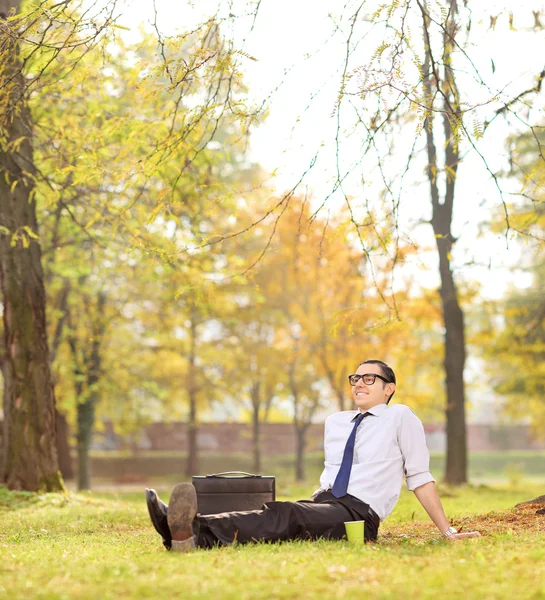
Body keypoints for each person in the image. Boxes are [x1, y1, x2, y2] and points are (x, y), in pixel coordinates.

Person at [145, 359, 480, 551]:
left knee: (287, 514)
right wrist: (317, 503)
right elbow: (331, 472)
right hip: (325, 501)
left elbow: (419, 476)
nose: (359, 383)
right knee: (277, 513)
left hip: (358, 516)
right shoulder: (336, 422)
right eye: (355, 378)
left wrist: (446, 531)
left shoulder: (400, 416)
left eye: (369, 378)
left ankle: (189, 531)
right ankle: (182, 533)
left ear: (388, 388)